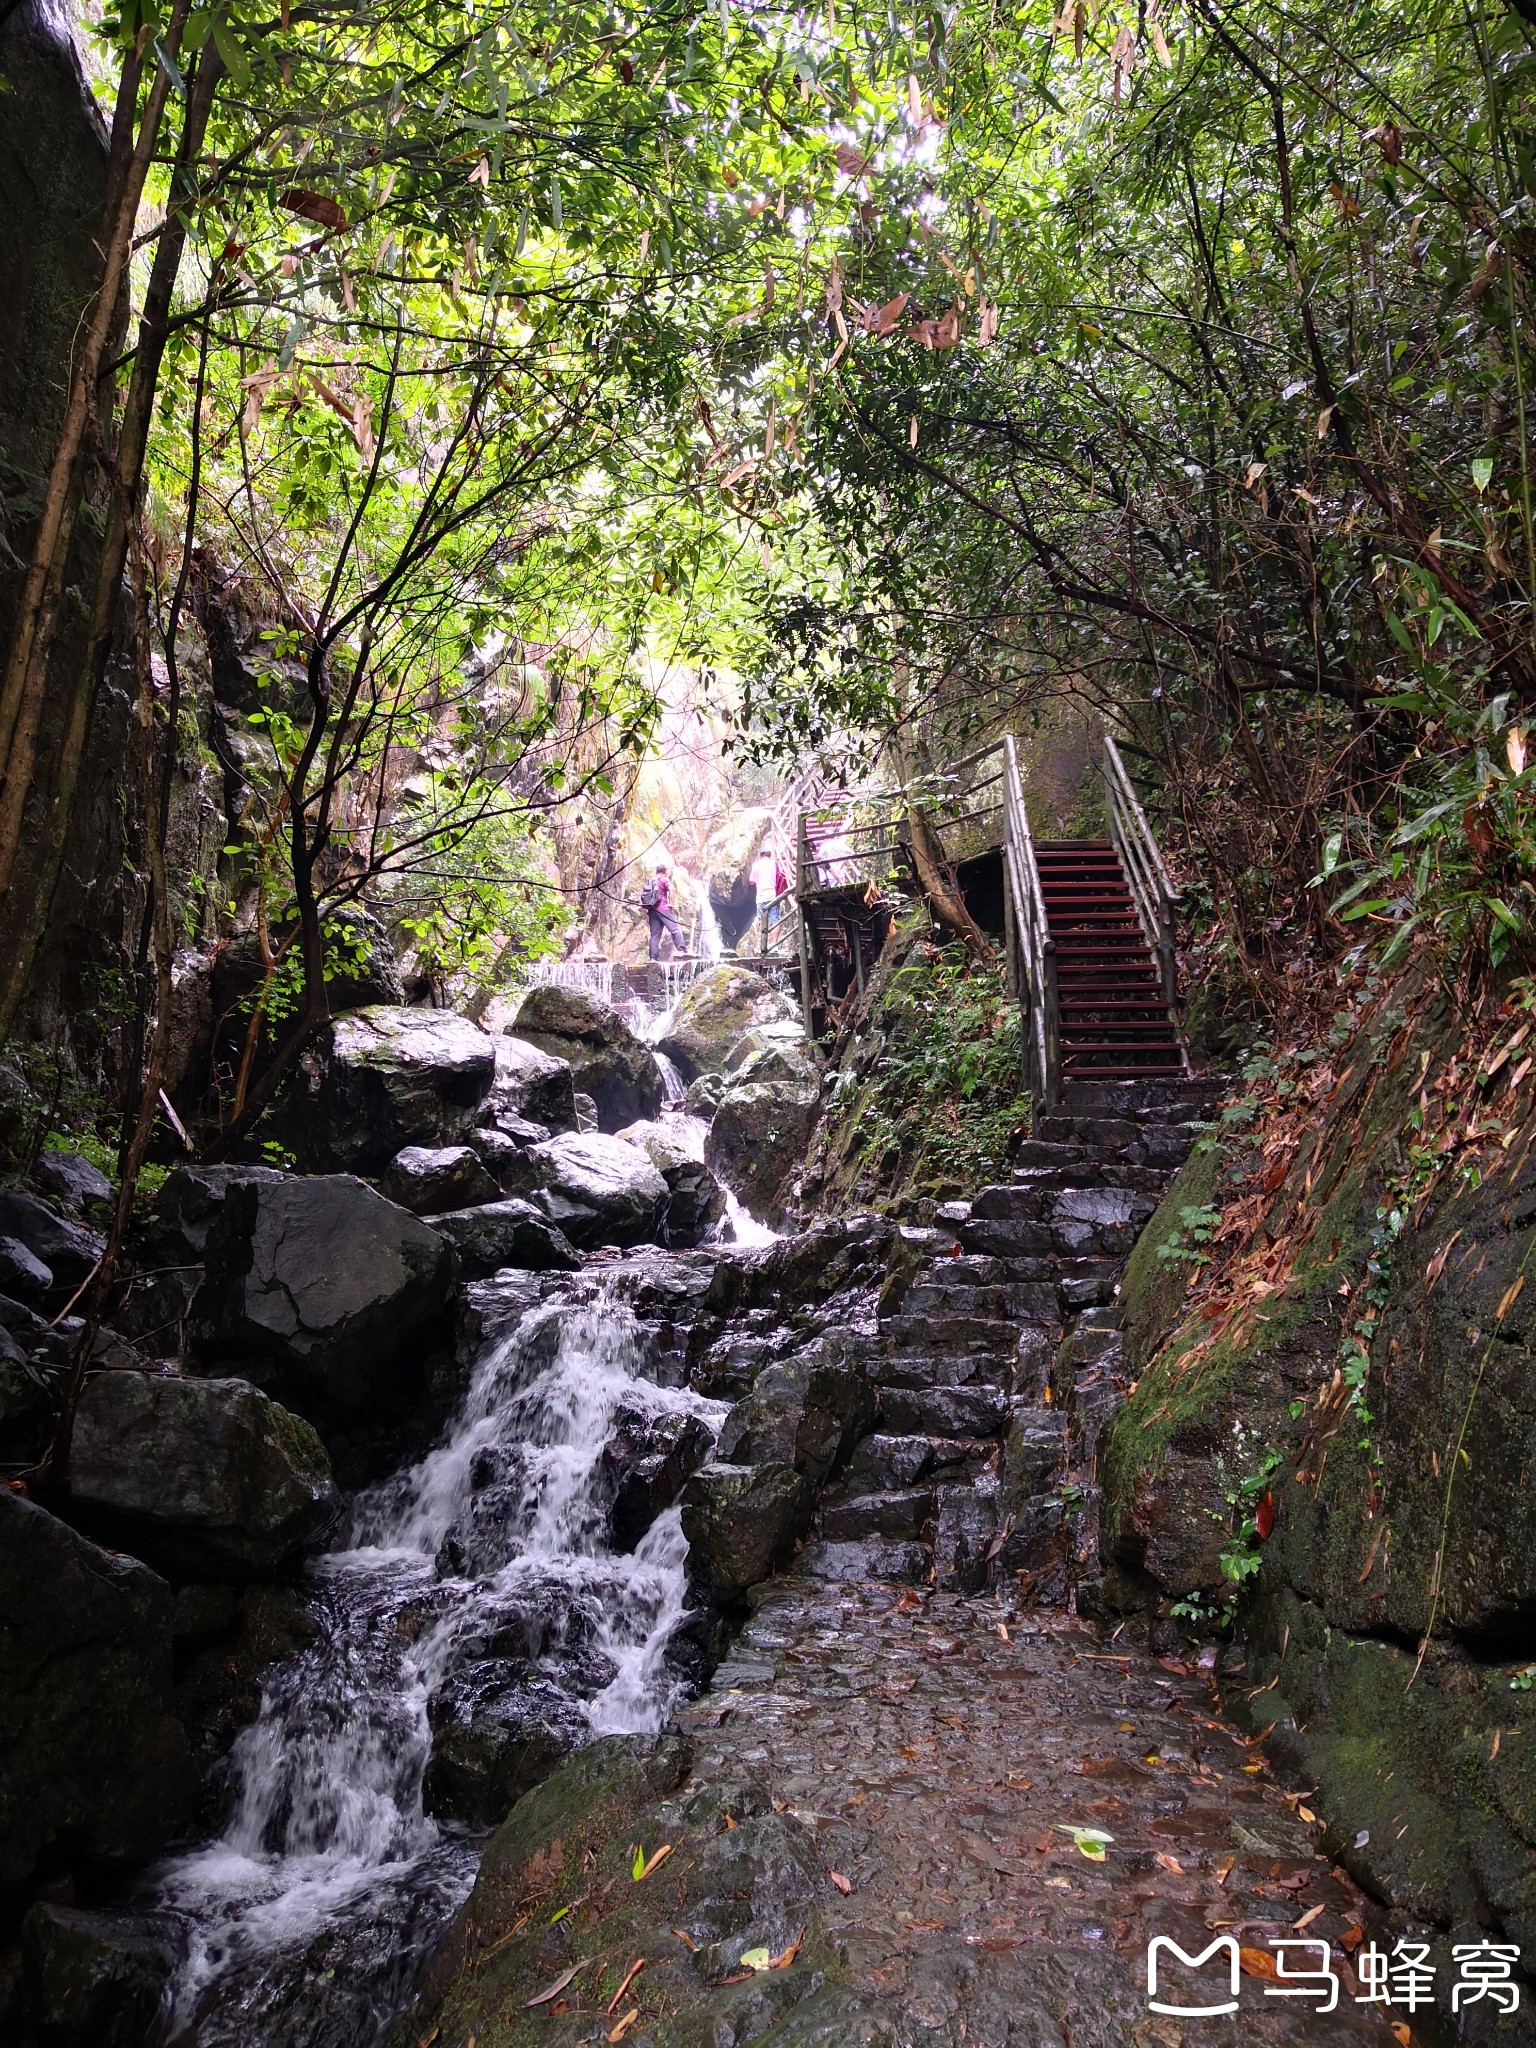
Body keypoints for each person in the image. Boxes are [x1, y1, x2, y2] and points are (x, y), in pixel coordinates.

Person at [641, 861, 686, 961]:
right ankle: (682, 951)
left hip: (652, 911)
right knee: (675, 929)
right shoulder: (664, 879)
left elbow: (643, 895)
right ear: (664, 871)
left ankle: (653, 958)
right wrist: (671, 903)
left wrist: (645, 908)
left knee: (655, 936)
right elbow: (672, 889)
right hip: (664, 909)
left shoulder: (650, 881)